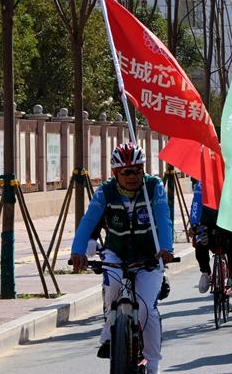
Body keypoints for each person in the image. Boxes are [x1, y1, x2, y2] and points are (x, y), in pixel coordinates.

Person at [70, 143, 174, 374]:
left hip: (149, 256)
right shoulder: (105, 191)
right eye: (126, 172)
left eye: (138, 170)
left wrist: (167, 248)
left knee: (147, 309)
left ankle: (153, 365)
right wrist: (77, 250)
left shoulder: (153, 186)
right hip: (116, 252)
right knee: (113, 285)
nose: (133, 176)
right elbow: (88, 220)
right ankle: (108, 330)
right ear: (115, 173)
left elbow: (164, 217)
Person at [189, 181, 232, 312]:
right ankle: (205, 272)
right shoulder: (201, 183)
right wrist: (193, 224)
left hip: (231, 223)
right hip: (208, 224)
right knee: (199, 241)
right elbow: (196, 205)